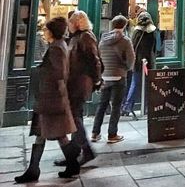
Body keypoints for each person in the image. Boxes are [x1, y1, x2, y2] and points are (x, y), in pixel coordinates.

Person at [15, 17, 80, 184]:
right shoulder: (58, 46)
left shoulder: (57, 48)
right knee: (49, 134)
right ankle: (36, 169)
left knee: (52, 134)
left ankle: (37, 169)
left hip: (51, 99)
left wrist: (59, 98)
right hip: (51, 98)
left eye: (46, 29)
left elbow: (59, 75)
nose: (44, 32)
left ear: (52, 31)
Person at [54, 10, 102, 168]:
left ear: (76, 23)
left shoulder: (86, 37)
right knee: (75, 116)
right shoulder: (75, 38)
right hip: (74, 82)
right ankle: (74, 153)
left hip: (81, 83)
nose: (68, 25)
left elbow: (94, 60)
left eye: (70, 22)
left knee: (75, 117)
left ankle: (85, 150)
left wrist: (96, 80)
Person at [91, 15, 135, 144]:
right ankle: (112, 134)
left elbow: (98, 57)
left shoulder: (103, 40)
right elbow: (131, 59)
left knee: (102, 105)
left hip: (105, 76)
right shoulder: (125, 40)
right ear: (124, 26)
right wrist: (126, 68)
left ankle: (95, 133)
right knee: (116, 106)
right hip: (118, 76)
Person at [122, 11, 158, 116]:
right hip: (149, 61)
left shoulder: (136, 32)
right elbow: (155, 47)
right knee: (149, 85)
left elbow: (132, 46)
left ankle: (127, 107)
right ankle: (148, 107)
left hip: (138, 61)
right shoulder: (153, 32)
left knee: (135, 83)